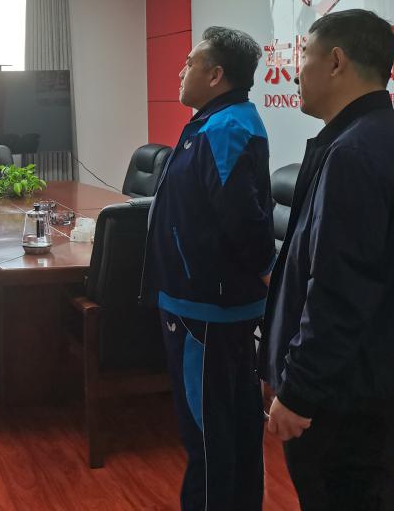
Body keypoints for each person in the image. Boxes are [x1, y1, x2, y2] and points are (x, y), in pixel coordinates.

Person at [259, 9, 394, 511]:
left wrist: (299, 391)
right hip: (381, 379)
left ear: (336, 61)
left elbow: (338, 292)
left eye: (304, 58)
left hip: (341, 395)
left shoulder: (353, 153)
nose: (296, 74)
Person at [141, 26, 273, 511]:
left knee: (209, 434)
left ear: (216, 75)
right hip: (203, 301)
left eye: (190, 63)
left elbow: (243, 217)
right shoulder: (215, 121)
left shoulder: (225, 128)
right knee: (230, 426)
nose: (181, 71)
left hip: (206, 309)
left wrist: (266, 271)